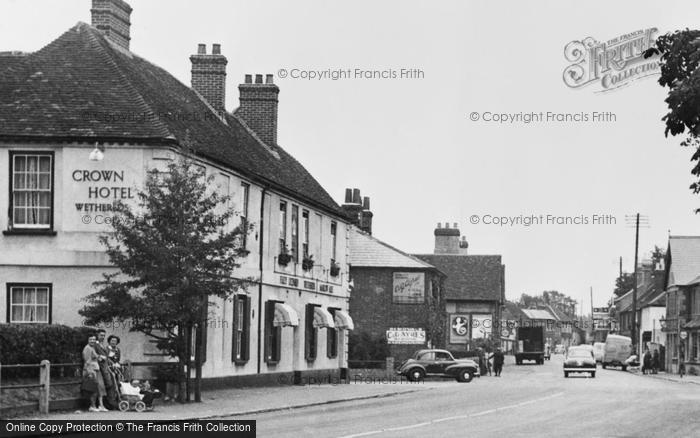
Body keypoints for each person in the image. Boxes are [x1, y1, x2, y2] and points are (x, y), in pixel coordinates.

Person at [82, 334, 108, 412]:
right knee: (93, 388)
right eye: (91, 339)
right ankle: (92, 406)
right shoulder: (87, 348)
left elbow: (95, 357)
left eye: (94, 339)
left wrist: (101, 357)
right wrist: (90, 372)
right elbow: (87, 361)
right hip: (91, 370)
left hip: (96, 369)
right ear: (88, 340)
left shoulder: (92, 348)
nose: (92, 341)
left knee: (100, 387)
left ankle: (101, 405)